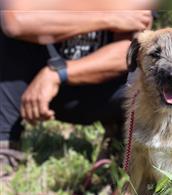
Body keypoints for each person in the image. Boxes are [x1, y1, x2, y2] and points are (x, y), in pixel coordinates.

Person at [0, 0, 153, 176]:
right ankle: (4, 145)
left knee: (150, 70)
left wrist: (58, 74)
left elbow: (127, 52)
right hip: (28, 89)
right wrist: (107, 17)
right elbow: (15, 21)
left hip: (103, 90)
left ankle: (121, 140)